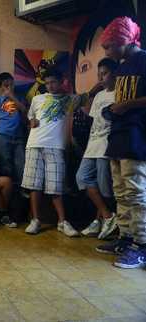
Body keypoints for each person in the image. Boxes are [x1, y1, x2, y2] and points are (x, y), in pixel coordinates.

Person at [95, 17, 146, 269]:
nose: (107, 52)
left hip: (137, 136)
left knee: (136, 191)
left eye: (108, 47)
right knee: (121, 191)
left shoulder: (144, 60)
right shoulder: (123, 65)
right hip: (118, 135)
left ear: (123, 40)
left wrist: (128, 105)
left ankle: (141, 245)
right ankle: (125, 237)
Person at [21, 68, 80, 237]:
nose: (50, 86)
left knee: (56, 187)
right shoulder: (38, 99)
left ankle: (62, 222)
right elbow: (30, 116)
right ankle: (36, 220)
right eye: (46, 83)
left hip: (56, 146)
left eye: (53, 82)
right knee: (34, 186)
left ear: (62, 82)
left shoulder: (69, 99)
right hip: (34, 145)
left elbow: (88, 95)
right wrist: (31, 121)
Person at [76, 58, 119, 239]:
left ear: (115, 74)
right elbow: (93, 121)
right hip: (93, 144)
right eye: (99, 74)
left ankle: (100, 220)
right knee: (82, 178)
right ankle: (107, 216)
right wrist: (91, 93)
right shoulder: (100, 95)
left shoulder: (120, 93)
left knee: (104, 187)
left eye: (105, 73)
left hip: (107, 145)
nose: (101, 78)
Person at [0, 72, 28, 189]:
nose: (9, 87)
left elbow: (24, 110)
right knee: (6, 164)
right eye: (6, 85)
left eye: (11, 84)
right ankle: (8, 189)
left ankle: (21, 188)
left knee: (21, 162)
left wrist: (11, 96)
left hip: (19, 135)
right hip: (3, 135)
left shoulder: (20, 98)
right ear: (0, 87)